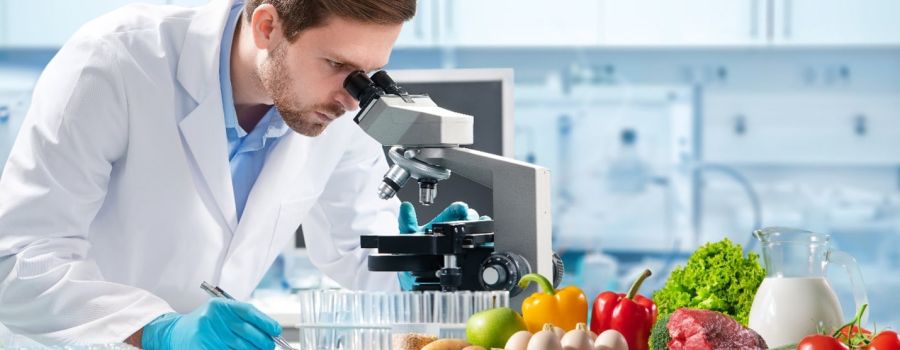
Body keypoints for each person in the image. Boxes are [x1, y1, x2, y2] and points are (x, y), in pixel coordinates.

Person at [0, 0, 481, 348]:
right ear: (267, 26)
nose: (353, 96)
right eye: (338, 65)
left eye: (371, 73)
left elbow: (354, 245)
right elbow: (18, 260)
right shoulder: (116, 62)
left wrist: (414, 268)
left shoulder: (334, 105)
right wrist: (161, 331)